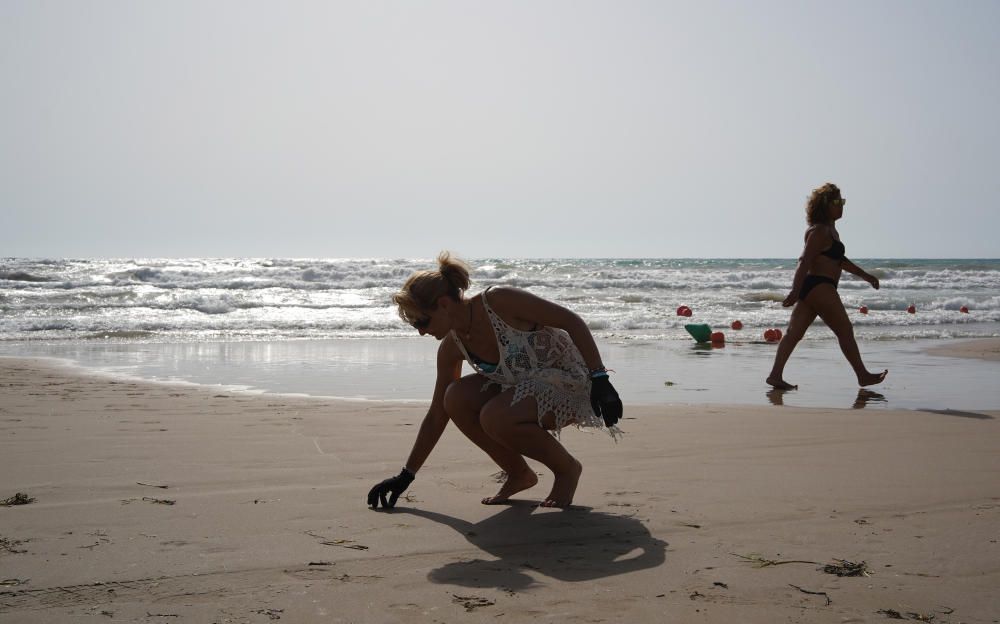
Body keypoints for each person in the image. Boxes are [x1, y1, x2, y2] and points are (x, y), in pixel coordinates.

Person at [367, 252, 623, 510]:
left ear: (444, 304)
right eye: (414, 326)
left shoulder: (499, 301)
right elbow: (437, 414)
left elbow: (571, 321)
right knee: (454, 397)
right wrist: (406, 475)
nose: (421, 331)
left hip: (572, 383)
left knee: (495, 416)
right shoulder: (451, 347)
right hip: (519, 390)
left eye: (422, 321)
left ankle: (567, 470)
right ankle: (519, 473)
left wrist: (600, 378)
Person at [766, 183, 888, 390]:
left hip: (813, 288)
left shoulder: (831, 231)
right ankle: (862, 375)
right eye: (837, 202)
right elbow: (804, 260)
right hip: (820, 286)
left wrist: (866, 276)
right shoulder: (819, 231)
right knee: (845, 330)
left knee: (794, 333)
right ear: (824, 205)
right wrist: (795, 290)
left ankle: (775, 375)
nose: (841, 206)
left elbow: (840, 261)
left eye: (843, 201)